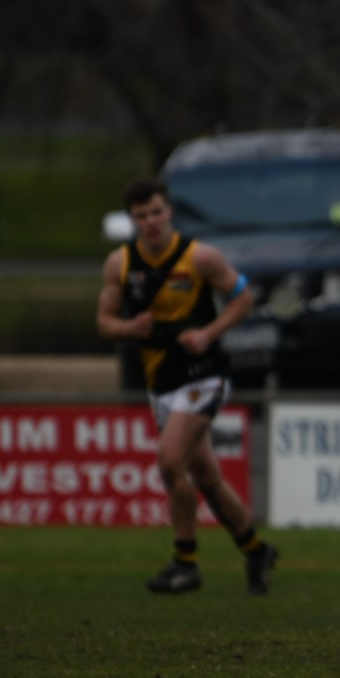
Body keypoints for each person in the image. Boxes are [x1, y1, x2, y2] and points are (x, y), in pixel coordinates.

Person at [96, 177, 279, 595]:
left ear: (169, 212)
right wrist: (129, 327)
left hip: (204, 376)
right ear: (132, 220)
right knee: (207, 478)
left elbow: (243, 297)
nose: (151, 222)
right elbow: (103, 323)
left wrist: (209, 333)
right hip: (161, 383)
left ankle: (185, 563)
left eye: (157, 212)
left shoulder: (200, 258)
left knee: (168, 460)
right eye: (141, 216)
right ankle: (256, 549)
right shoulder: (119, 264)